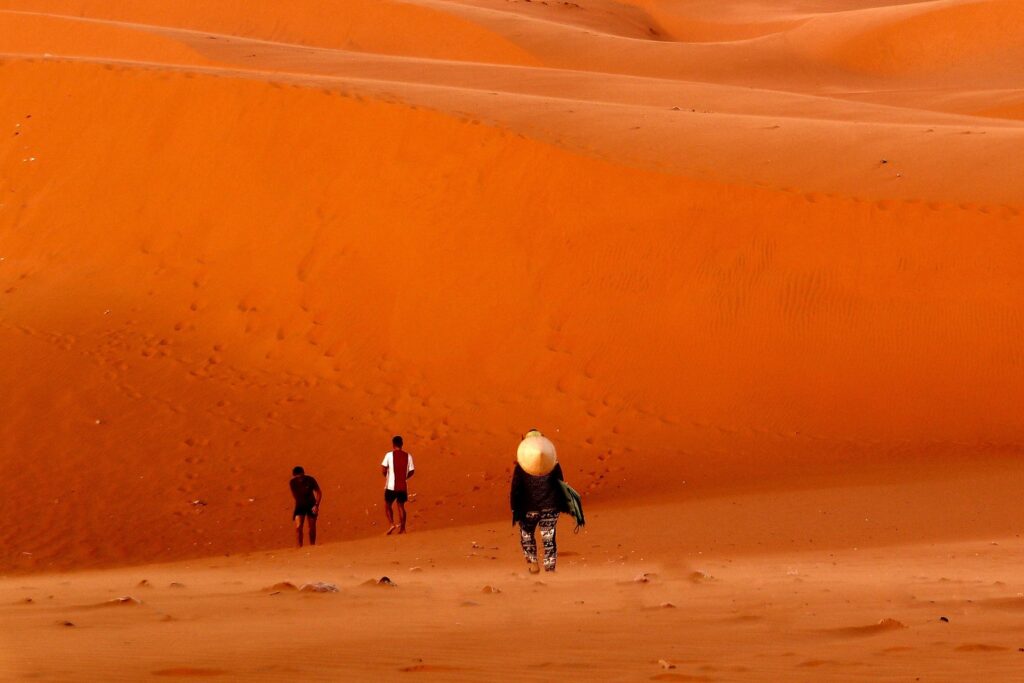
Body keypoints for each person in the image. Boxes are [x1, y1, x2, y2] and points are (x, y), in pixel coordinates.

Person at [510, 429, 569, 573]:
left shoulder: (521, 467)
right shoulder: (554, 464)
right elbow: (561, 485)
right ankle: (550, 567)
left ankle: (533, 563)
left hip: (528, 509)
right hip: (550, 507)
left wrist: (514, 508)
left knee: (526, 534)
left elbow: (516, 489)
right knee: (548, 538)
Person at [381, 435, 415, 534]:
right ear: (402, 444)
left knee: (387, 505)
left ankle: (392, 524)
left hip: (390, 486)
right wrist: (405, 477)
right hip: (402, 485)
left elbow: (383, 469)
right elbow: (412, 471)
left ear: (393, 444)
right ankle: (403, 528)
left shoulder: (389, 455)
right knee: (401, 506)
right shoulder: (408, 456)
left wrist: (387, 477)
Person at [289, 466, 322, 548]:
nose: (300, 479)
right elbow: (297, 495)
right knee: (298, 527)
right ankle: (299, 547)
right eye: (298, 477)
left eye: (301, 476)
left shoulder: (310, 480)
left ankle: (312, 545)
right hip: (300, 505)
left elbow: (318, 492)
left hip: (311, 504)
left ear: (303, 474)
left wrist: (316, 505)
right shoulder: (292, 483)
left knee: (312, 526)